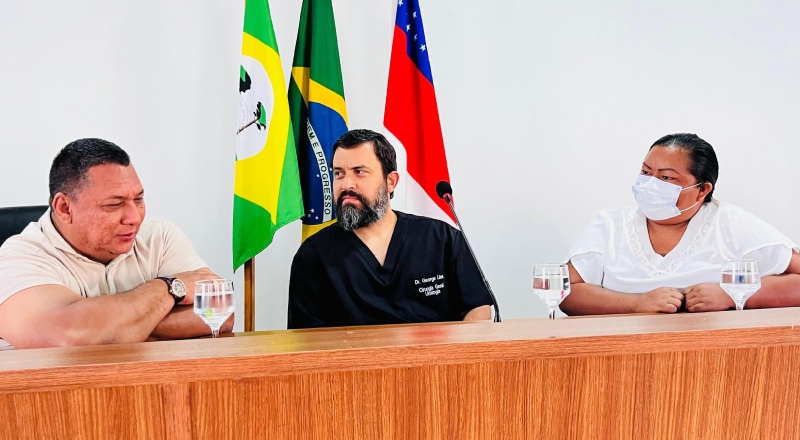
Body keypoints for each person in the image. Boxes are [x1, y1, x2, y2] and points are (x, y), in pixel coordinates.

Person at [0, 138, 233, 349]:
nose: (134, 218)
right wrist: (171, 287)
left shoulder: (160, 238)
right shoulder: (17, 258)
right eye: (114, 204)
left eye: (138, 199)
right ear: (65, 208)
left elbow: (220, 315)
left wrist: (115, 330)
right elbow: (69, 339)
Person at [561, 133, 800, 315]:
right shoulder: (610, 225)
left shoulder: (730, 223)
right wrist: (638, 303)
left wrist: (734, 294)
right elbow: (566, 292)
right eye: (646, 173)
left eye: (666, 177)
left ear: (702, 190)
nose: (651, 184)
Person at [288, 129, 493, 328]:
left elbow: (476, 308)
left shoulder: (442, 239)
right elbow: (306, 338)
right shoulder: (313, 255)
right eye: (339, 174)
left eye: (359, 172)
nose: (346, 184)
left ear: (391, 181)